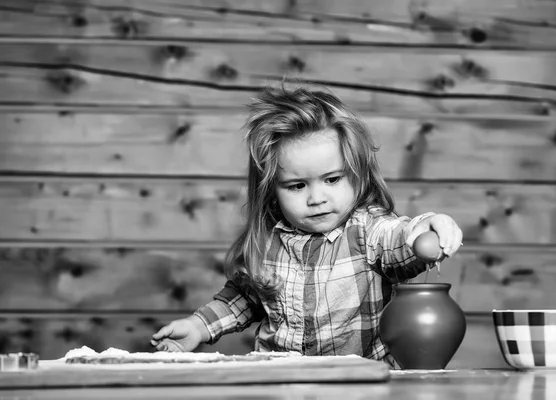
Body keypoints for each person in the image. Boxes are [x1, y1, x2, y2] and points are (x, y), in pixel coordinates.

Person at [150, 84, 463, 368]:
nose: (317, 198)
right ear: (271, 189)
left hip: (359, 387)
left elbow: (400, 239)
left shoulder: (367, 232)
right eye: (297, 186)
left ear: (358, 174)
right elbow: (244, 299)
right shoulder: (269, 242)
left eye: (332, 179)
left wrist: (427, 229)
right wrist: (197, 327)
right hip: (279, 383)